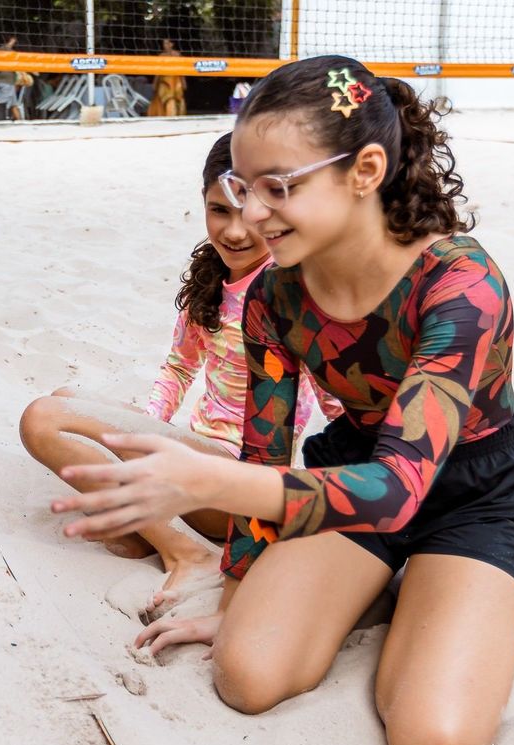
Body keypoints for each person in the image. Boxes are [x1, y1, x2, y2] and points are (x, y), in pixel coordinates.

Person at [50, 55, 514, 745]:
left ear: (365, 171)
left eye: (278, 188)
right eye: (239, 186)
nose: (253, 213)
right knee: (249, 677)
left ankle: (437, 593)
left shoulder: (461, 283)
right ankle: (380, 589)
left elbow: (397, 487)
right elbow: (265, 456)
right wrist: (236, 595)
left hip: (472, 495)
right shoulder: (275, 298)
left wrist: (206, 481)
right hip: (349, 469)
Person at [20, 133, 335, 613]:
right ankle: (146, 533)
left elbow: (338, 401)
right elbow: (179, 367)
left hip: (242, 482)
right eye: (219, 211)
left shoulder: (295, 288)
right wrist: (146, 433)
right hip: (197, 452)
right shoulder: (211, 280)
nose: (234, 231)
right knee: (67, 396)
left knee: (43, 418)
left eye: (249, 211)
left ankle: (187, 553)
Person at [148, 38, 186, 117]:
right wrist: (155, 83)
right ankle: (164, 116)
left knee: (177, 99)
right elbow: (158, 72)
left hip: (175, 80)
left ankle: (177, 116)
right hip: (164, 81)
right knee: (163, 99)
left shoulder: (177, 55)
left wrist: (183, 82)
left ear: (171, 44)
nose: (164, 45)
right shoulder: (161, 56)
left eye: (166, 43)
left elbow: (181, 70)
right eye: (164, 43)